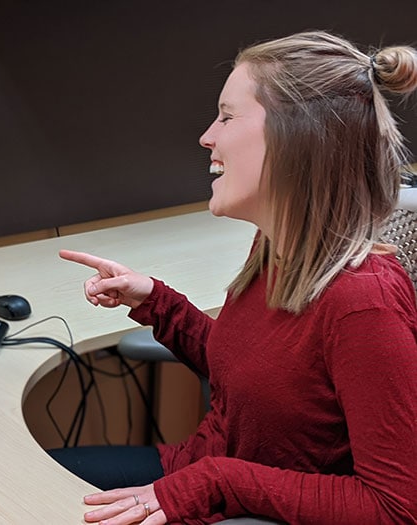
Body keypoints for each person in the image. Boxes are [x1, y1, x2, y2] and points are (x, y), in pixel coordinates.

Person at [57, 31, 417, 524]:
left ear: (297, 140)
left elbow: (396, 509)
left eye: (227, 116)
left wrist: (219, 480)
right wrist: (157, 302)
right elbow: (257, 379)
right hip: (196, 474)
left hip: (231, 503)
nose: (208, 136)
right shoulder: (279, 246)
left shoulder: (363, 307)